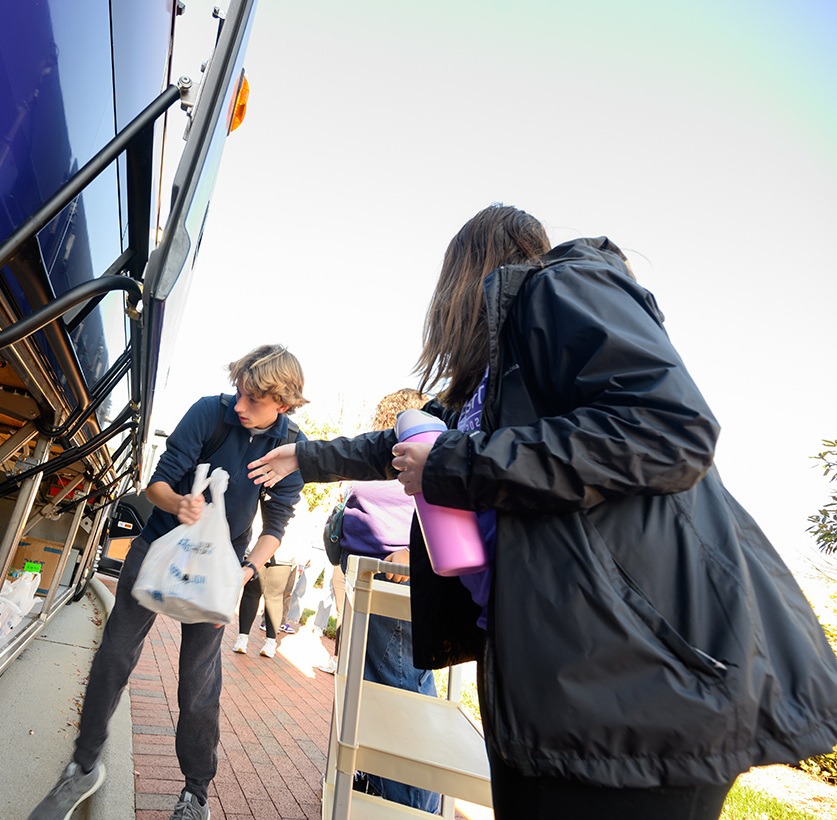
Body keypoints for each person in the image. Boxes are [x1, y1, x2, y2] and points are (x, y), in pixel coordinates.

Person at [249, 204, 837, 820]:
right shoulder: (496, 385)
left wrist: (453, 465)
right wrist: (305, 455)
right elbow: (409, 443)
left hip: (641, 688)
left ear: (466, 274)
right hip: (560, 684)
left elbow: (669, 430)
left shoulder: (561, 284)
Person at [28, 344, 308, 820]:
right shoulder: (210, 413)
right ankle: (83, 764)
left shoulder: (290, 448)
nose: (238, 404)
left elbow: (276, 525)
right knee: (116, 651)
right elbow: (156, 484)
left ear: (282, 404)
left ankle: (195, 792)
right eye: (238, 391)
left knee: (198, 679)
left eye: (253, 400)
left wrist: (245, 572)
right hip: (159, 549)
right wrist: (178, 504)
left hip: (218, 569)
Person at [336, 388, 441, 812]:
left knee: (399, 704)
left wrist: (410, 557)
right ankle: (393, 797)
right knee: (393, 696)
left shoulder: (415, 454)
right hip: (380, 587)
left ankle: (410, 807)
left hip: (395, 585)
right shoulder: (402, 460)